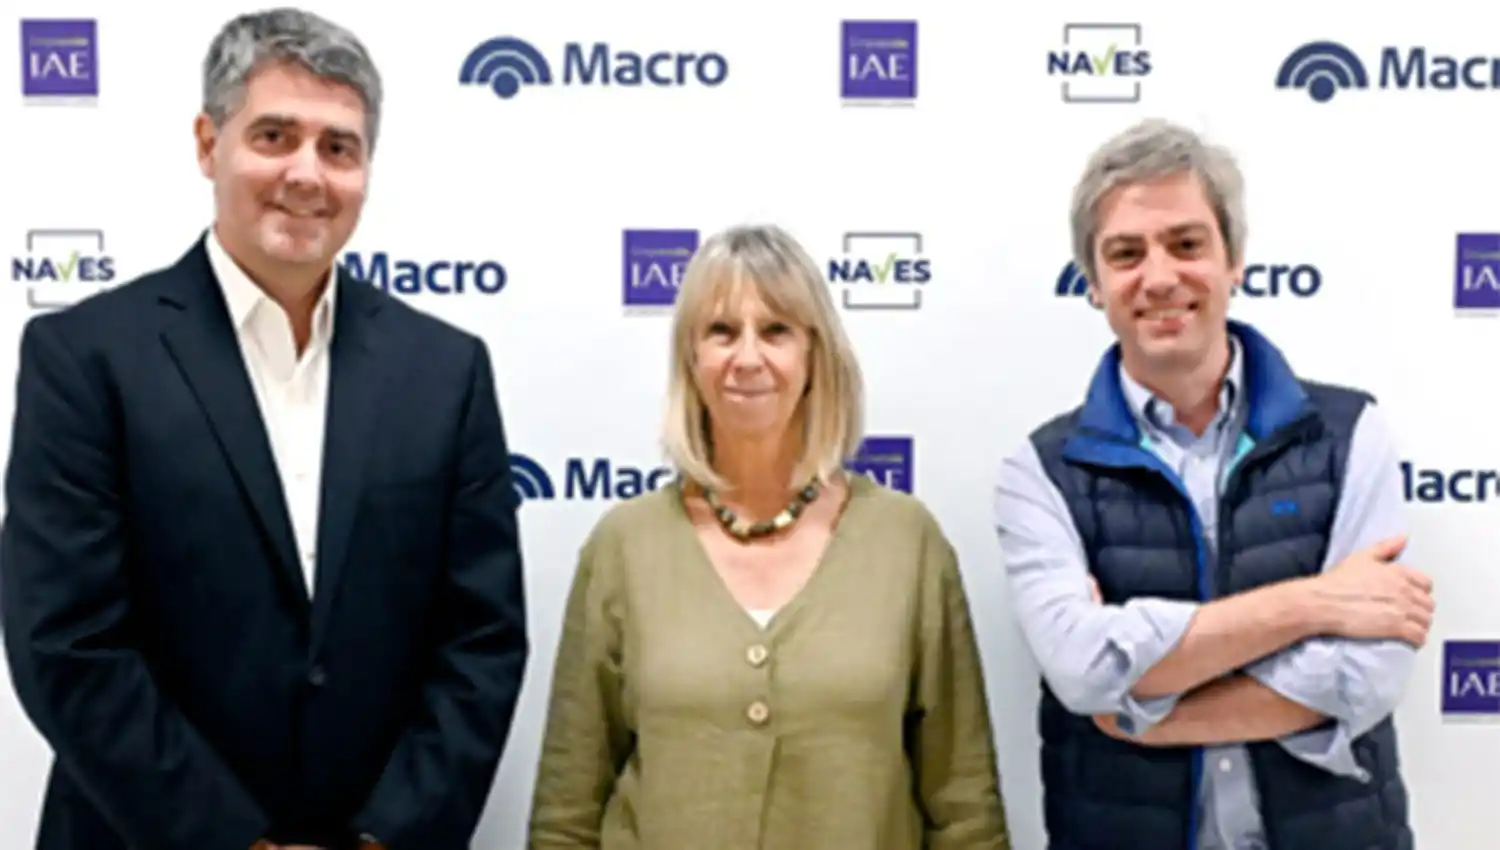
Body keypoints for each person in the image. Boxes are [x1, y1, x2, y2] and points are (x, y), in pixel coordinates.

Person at [0, 9, 528, 850]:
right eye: (274, 135)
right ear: (209, 145)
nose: (307, 174)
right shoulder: (85, 358)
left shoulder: (446, 370)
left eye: (338, 146)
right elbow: (65, 643)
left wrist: (389, 834)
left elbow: (482, 641)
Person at [993, 117, 1431, 850]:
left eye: (1187, 244)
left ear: (1235, 261)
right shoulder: (1041, 471)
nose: (1160, 276)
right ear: (1095, 286)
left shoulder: (1349, 435)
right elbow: (1083, 667)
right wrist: (1314, 603)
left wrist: (1145, 707)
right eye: (1126, 254)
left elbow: (1366, 674)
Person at [526, 224, 1010, 849]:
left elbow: (965, 807)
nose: (747, 357)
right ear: (691, 359)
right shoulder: (624, 546)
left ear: (815, 355)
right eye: (721, 331)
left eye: (777, 330)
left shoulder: (906, 543)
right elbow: (567, 810)